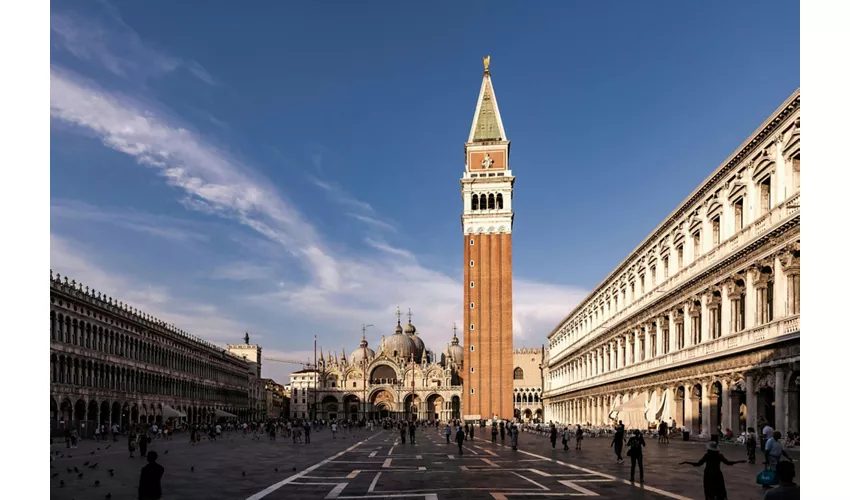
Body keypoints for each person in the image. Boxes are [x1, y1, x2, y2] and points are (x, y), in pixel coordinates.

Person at [680, 441, 745, 500]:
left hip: (708, 475)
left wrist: (687, 462)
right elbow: (728, 463)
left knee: (709, 490)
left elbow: (698, 464)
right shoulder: (719, 455)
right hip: (718, 474)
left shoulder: (707, 455)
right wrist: (738, 461)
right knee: (719, 491)